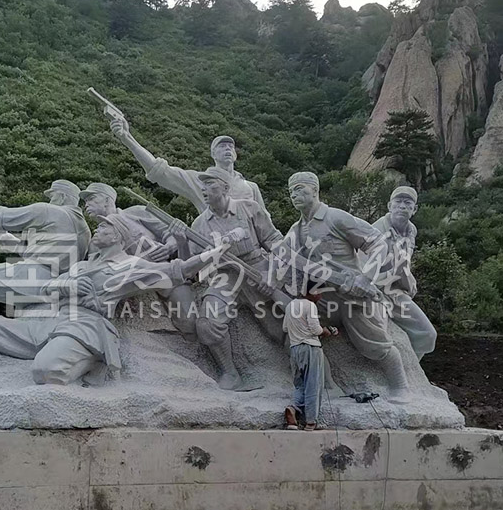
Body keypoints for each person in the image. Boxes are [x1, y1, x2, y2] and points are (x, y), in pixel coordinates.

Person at [0, 215, 229, 392]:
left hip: (84, 327)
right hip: (47, 322)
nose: (97, 229)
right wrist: (65, 284)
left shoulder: (130, 266)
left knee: (45, 371)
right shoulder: (80, 264)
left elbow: (177, 270)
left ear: (117, 236)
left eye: (104, 226)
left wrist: (216, 250)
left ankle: (93, 367)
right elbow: (43, 275)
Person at [280, 171, 411, 403]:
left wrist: (366, 278)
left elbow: (378, 242)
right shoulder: (295, 230)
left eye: (299, 189)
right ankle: (327, 386)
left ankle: (400, 385)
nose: (294, 195)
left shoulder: (335, 217)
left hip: (353, 296)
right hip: (322, 299)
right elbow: (282, 259)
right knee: (295, 335)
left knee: (373, 345)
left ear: (315, 190)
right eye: (291, 191)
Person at [170, 167, 283, 390]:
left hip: (256, 268)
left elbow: (275, 242)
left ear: (225, 187)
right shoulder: (200, 224)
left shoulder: (249, 208)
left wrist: (272, 274)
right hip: (224, 275)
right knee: (207, 323)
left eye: (210, 184)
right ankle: (230, 373)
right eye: (202, 186)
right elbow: (191, 267)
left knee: (279, 328)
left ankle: (307, 374)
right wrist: (181, 241)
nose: (204, 189)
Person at [0, 179, 91, 326]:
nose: (50, 201)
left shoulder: (49, 211)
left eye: (52, 196)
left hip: (31, 278)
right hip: (53, 286)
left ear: (62, 196)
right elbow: (33, 252)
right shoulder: (85, 230)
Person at [80, 182, 197, 339]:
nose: (86, 204)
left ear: (107, 200)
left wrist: (169, 247)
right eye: (85, 201)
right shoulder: (96, 242)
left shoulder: (136, 212)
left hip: (166, 276)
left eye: (91, 199)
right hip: (130, 288)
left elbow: (170, 232)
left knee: (189, 322)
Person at [110, 118, 265, 212]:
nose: (228, 149)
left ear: (236, 154)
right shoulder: (199, 180)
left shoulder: (251, 187)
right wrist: (127, 138)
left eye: (231, 147)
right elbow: (159, 171)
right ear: (213, 154)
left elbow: (265, 222)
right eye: (222, 146)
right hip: (217, 243)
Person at [371, 186, 437, 360]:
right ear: (389, 206)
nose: (402, 206)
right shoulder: (375, 232)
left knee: (428, 334)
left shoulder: (411, 231)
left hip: (396, 292)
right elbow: (363, 271)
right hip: (375, 291)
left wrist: (409, 280)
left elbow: (404, 263)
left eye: (407, 203)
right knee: (377, 337)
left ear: (414, 209)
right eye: (398, 202)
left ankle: (412, 369)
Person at [283, 297, 335, 431]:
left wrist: (300, 330)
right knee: (313, 384)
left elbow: (285, 328)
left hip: (295, 348)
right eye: (319, 293)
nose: (320, 296)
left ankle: (293, 409)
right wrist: (325, 331)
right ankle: (311, 421)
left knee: (300, 384)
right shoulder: (310, 305)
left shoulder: (290, 305)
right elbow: (316, 330)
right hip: (311, 349)